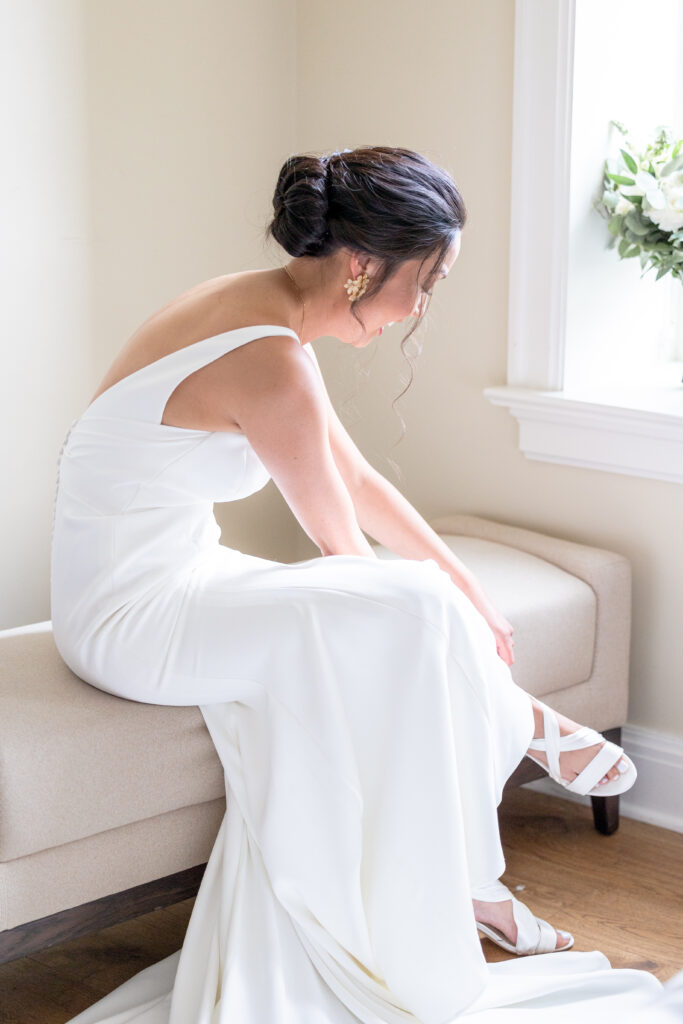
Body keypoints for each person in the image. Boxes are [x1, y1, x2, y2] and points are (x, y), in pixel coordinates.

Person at [52, 146, 659, 1024]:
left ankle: (473, 882)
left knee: (415, 607)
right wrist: (446, 621)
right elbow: (346, 555)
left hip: (179, 574)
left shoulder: (261, 308)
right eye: (427, 281)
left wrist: (467, 594)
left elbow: (360, 480)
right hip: (129, 619)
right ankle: (515, 746)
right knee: (398, 614)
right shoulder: (268, 356)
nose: (419, 308)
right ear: (361, 265)